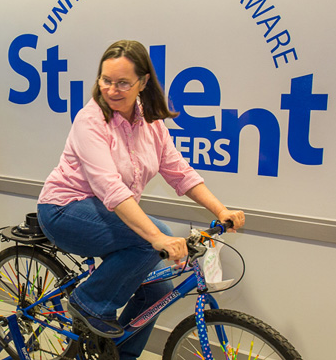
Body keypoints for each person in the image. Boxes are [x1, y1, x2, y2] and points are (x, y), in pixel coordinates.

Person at [36, 40, 245, 360]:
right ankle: (88, 301)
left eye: (123, 83)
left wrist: (220, 209)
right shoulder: (90, 120)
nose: (112, 90)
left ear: (143, 82)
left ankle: (121, 355)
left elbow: (179, 172)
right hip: (64, 209)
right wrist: (158, 236)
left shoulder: (150, 122)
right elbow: (111, 189)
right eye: (105, 80)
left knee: (156, 293)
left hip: (106, 214)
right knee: (148, 238)